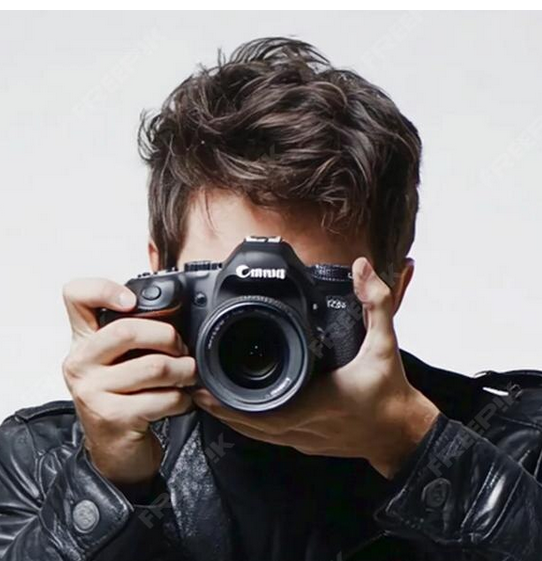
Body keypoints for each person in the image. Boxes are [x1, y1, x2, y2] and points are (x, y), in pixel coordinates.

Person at [0, 37, 540, 561]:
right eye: (224, 281)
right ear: (160, 275)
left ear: (393, 289)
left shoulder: (520, 445)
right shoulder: (40, 461)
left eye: (308, 286)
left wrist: (416, 444)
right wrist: (110, 480)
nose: (259, 317)